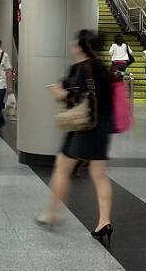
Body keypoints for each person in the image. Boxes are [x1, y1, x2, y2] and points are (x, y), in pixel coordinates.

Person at [36, 30, 115, 245]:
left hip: (82, 128)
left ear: (80, 46)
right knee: (99, 175)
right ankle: (105, 221)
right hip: (101, 127)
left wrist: (60, 93)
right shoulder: (102, 68)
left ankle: (52, 213)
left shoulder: (82, 68)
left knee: (62, 167)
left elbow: (75, 97)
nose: (72, 45)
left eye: (74, 42)